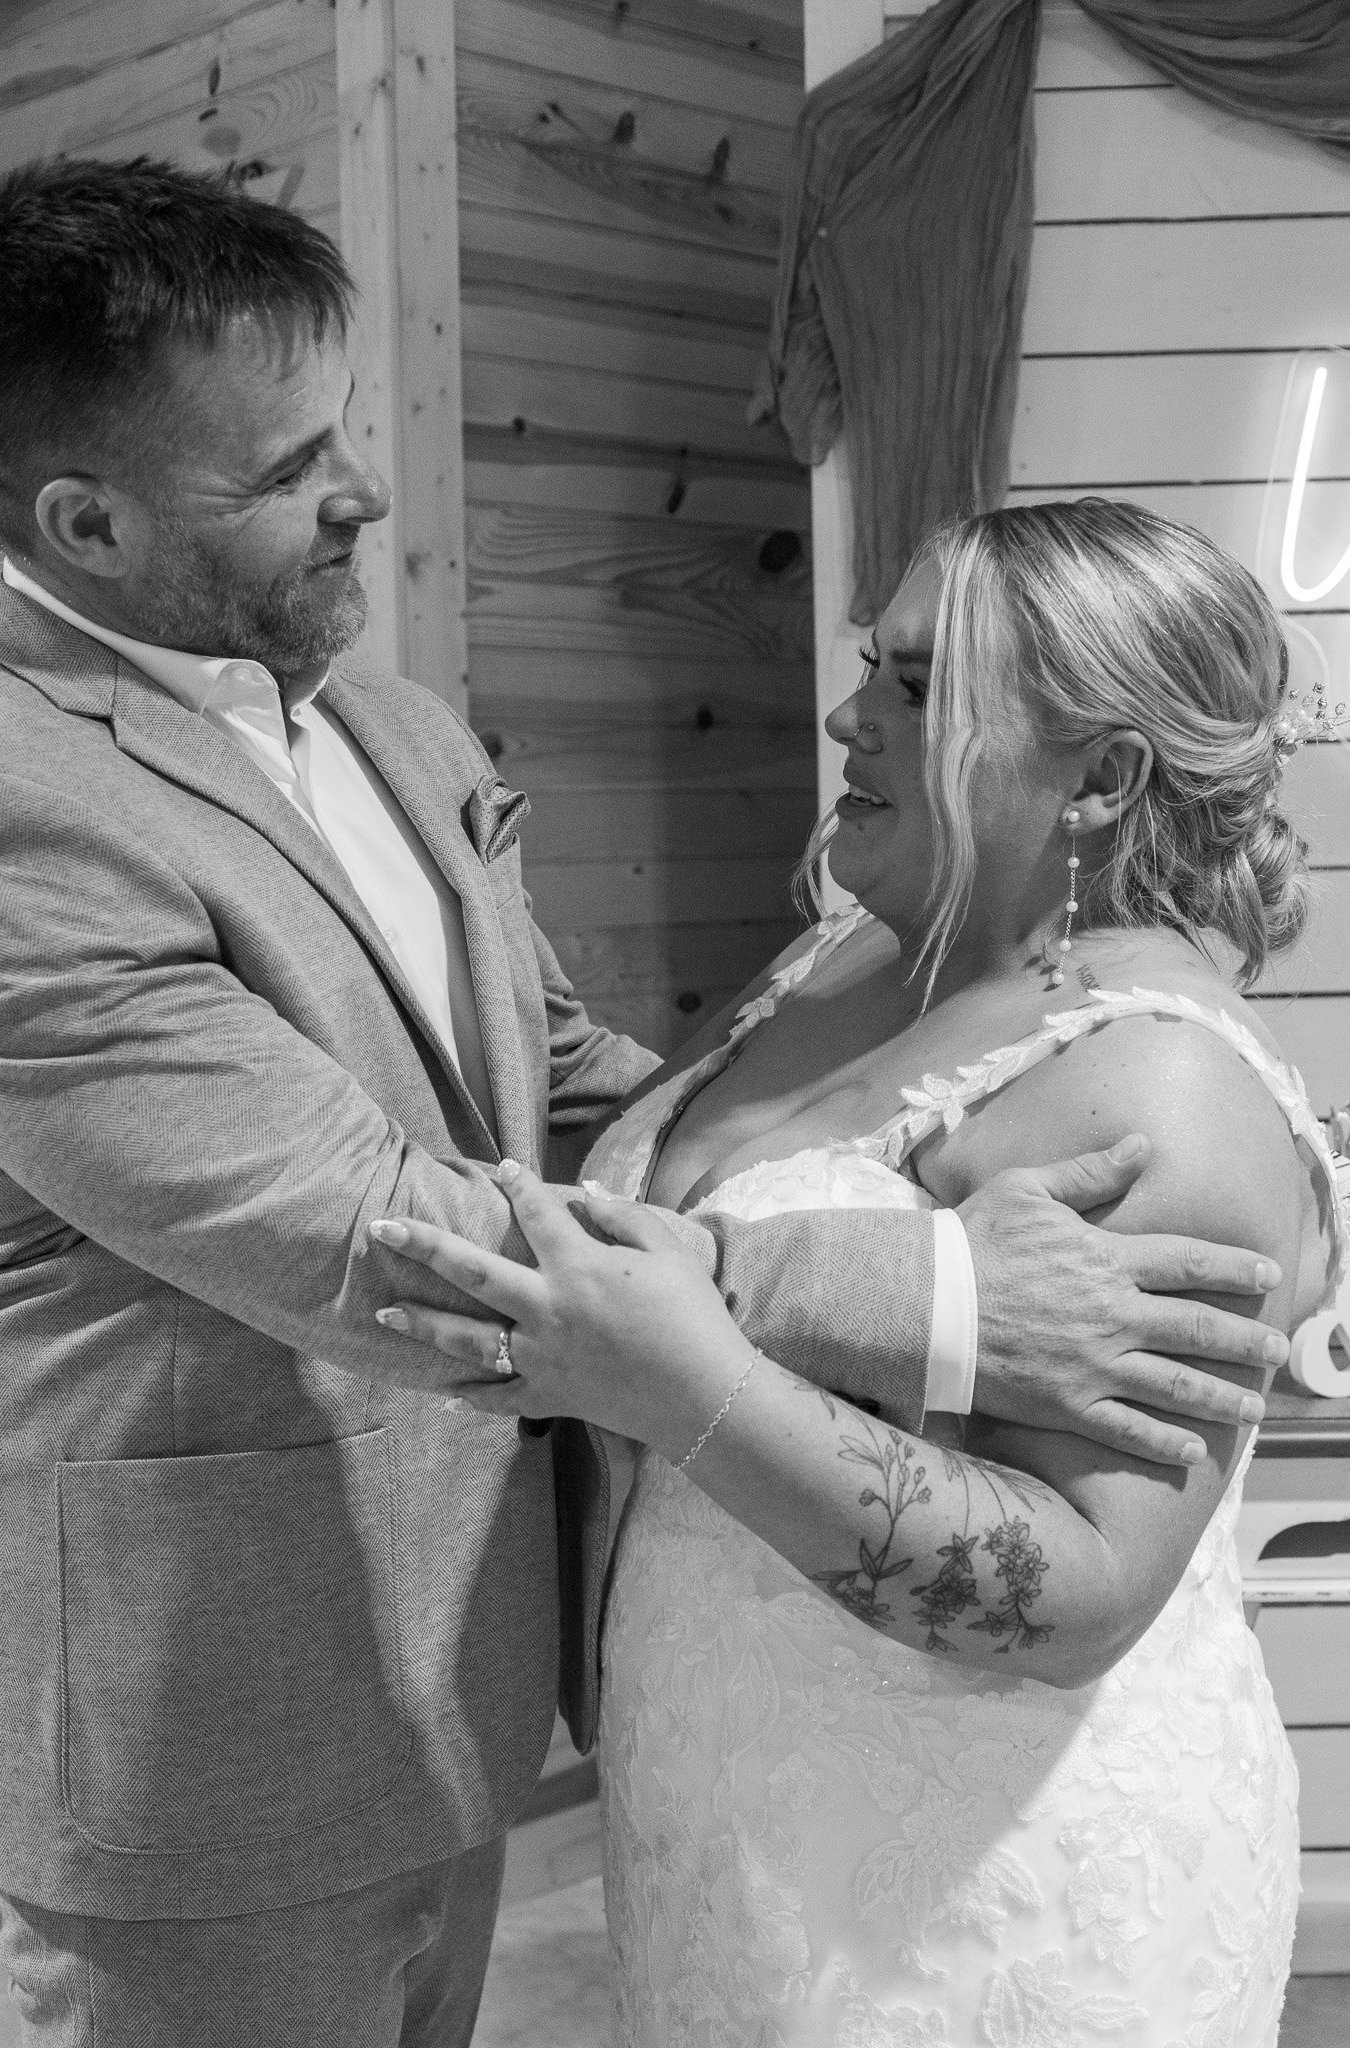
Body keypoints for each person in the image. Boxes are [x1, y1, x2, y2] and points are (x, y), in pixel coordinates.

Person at [0, 157, 1284, 2041]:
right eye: (283, 471)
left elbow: (570, 1095)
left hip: (550, 1716)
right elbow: (373, 1230)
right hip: (210, 1726)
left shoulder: (393, 730)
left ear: (1097, 774)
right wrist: (934, 1288)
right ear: (85, 522)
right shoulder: (17, 807)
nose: (360, 492)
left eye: (341, 428)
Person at [378, 499, 1339, 2046]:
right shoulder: (845, 953)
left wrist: (680, 1381)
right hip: (724, 1796)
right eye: (870, 666)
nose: (847, 717)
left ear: (1101, 779)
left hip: (979, 1873)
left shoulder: (1163, 1087)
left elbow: (1085, 1595)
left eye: (918, 686)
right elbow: (654, 1202)